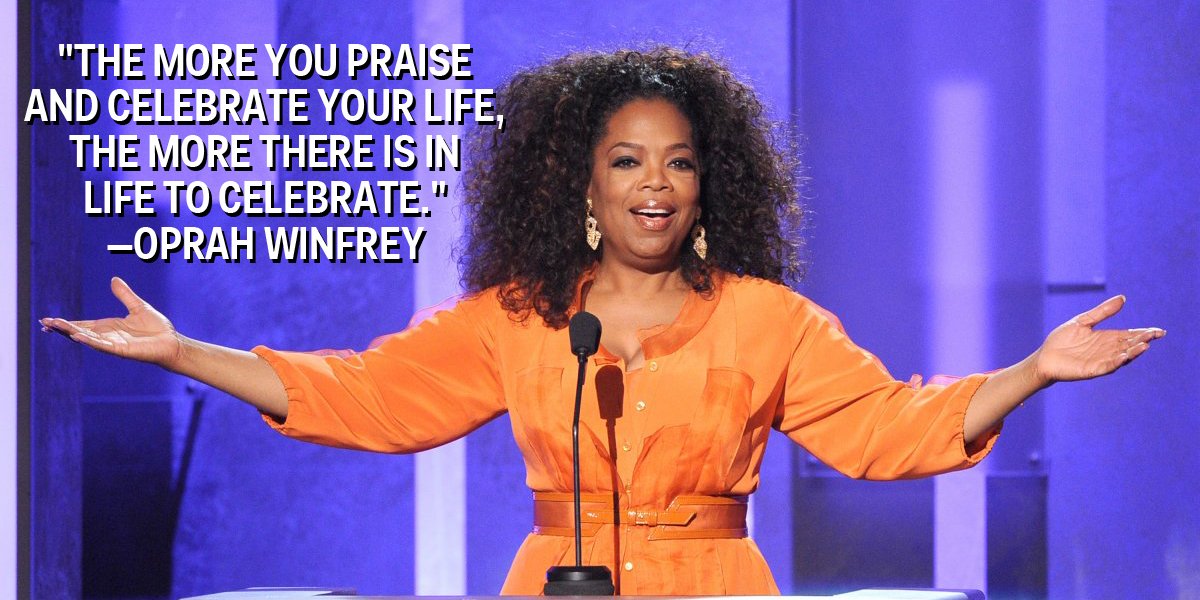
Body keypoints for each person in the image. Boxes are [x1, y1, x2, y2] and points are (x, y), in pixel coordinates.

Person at [41, 47, 1165, 595]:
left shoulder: (769, 319)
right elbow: (369, 398)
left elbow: (887, 429)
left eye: (680, 162)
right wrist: (184, 352)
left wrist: (1033, 369)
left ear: (710, 185)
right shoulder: (518, 316)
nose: (655, 183)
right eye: (626, 160)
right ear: (579, 185)